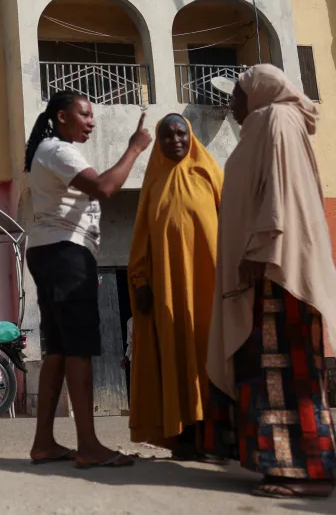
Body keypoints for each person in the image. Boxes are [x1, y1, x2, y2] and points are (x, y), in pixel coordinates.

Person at [205, 65, 336, 499]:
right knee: (278, 373)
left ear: (258, 92)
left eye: (237, 93)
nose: (232, 102)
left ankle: (297, 470)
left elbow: (278, 194)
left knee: (280, 373)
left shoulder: (274, 120)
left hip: (276, 274)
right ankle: (300, 465)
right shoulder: (278, 121)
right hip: (277, 269)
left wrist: (258, 251)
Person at [24, 90, 151, 469]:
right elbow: (106, 188)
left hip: (49, 251)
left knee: (58, 351)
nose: (92, 122)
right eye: (85, 114)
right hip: (66, 253)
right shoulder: (59, 151)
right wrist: (134, 148)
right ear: (62, 116)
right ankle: (89, 445)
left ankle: (44, 442)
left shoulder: (47, 149)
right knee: (78, 347)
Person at [127, 114, 223, 459]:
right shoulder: (153, 182)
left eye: (181, 133)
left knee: (210, 359)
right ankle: (183, 439)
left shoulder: (210, 173)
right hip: (167, 291)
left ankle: (220, 438)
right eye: (166, 136)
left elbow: (230, 224)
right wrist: (140, 281)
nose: (175, 141)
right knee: (173, 360)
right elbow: (140, 239)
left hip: (209, 291)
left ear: (191, 135)